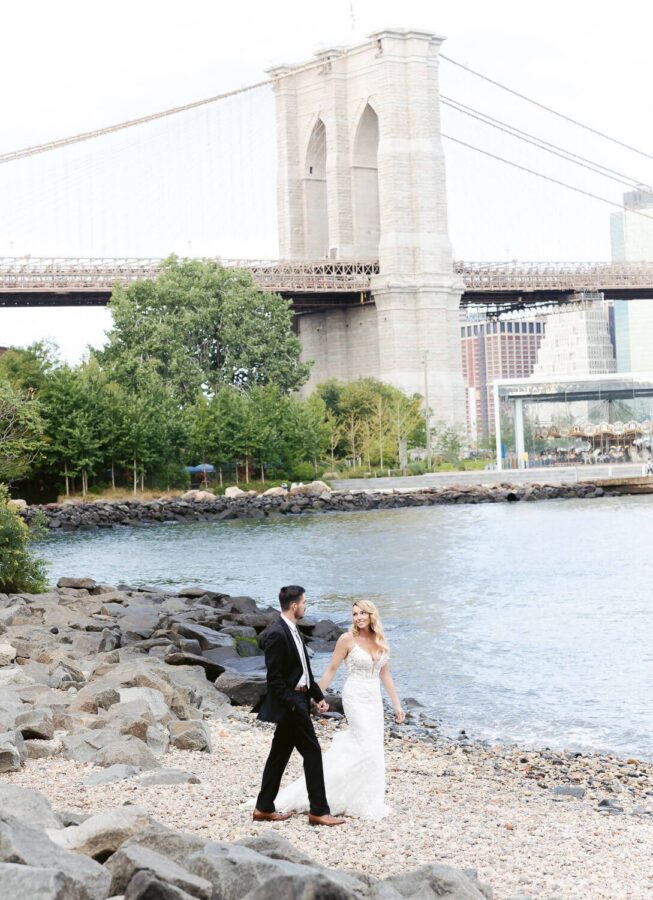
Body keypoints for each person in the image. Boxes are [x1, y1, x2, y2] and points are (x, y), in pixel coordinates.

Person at [274, 600, 405, 820]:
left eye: (363, 613)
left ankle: (365, 800)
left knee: (373, 750)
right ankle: (324, 796)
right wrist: (316, 697)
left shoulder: (380, 640)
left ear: (372, 615)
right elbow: (331, 670)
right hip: (354, 697)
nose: (359, 617)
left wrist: (397, 704)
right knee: (364, 744)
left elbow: (385, 675)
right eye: (355, 614)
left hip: (374, 700)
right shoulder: (346, 639)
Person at [253, 585, 346, 827]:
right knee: (313, 753)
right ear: (294, 605)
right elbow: (274, 679)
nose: (306, 606)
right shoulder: (276, 633)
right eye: (304, 602)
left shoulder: (293, 630)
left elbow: (303, 671)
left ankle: (263, 807)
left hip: (301, 699)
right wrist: (293, 705)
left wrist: (317, 695)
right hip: (292, 704)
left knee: (279, 754)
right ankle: (319, 811)